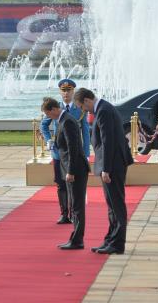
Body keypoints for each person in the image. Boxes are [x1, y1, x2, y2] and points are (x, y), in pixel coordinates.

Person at [74, 88, 134, 255]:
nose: (83, 110)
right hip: (111, 164)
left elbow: (108, 142)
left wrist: (106, 169)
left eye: (81, 106)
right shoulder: (103, 109)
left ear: (87, 100)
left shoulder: (104, 111)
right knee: (112, 206)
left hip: (112, 166)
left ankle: (117, 244)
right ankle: (111, 239)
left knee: (116, 205)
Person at [41, 97, 90, 250]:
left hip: (75, 169)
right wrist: (52, 143)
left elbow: (73, 148)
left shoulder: (67, 121)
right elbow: (63, 144)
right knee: (74, 204)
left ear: (54, 109)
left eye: (48, 114)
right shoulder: (63, 120)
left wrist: (70, 171)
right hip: (69, 166)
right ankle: (76, 238)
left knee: (77, 205)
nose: (49, 117)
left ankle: (78, 240)